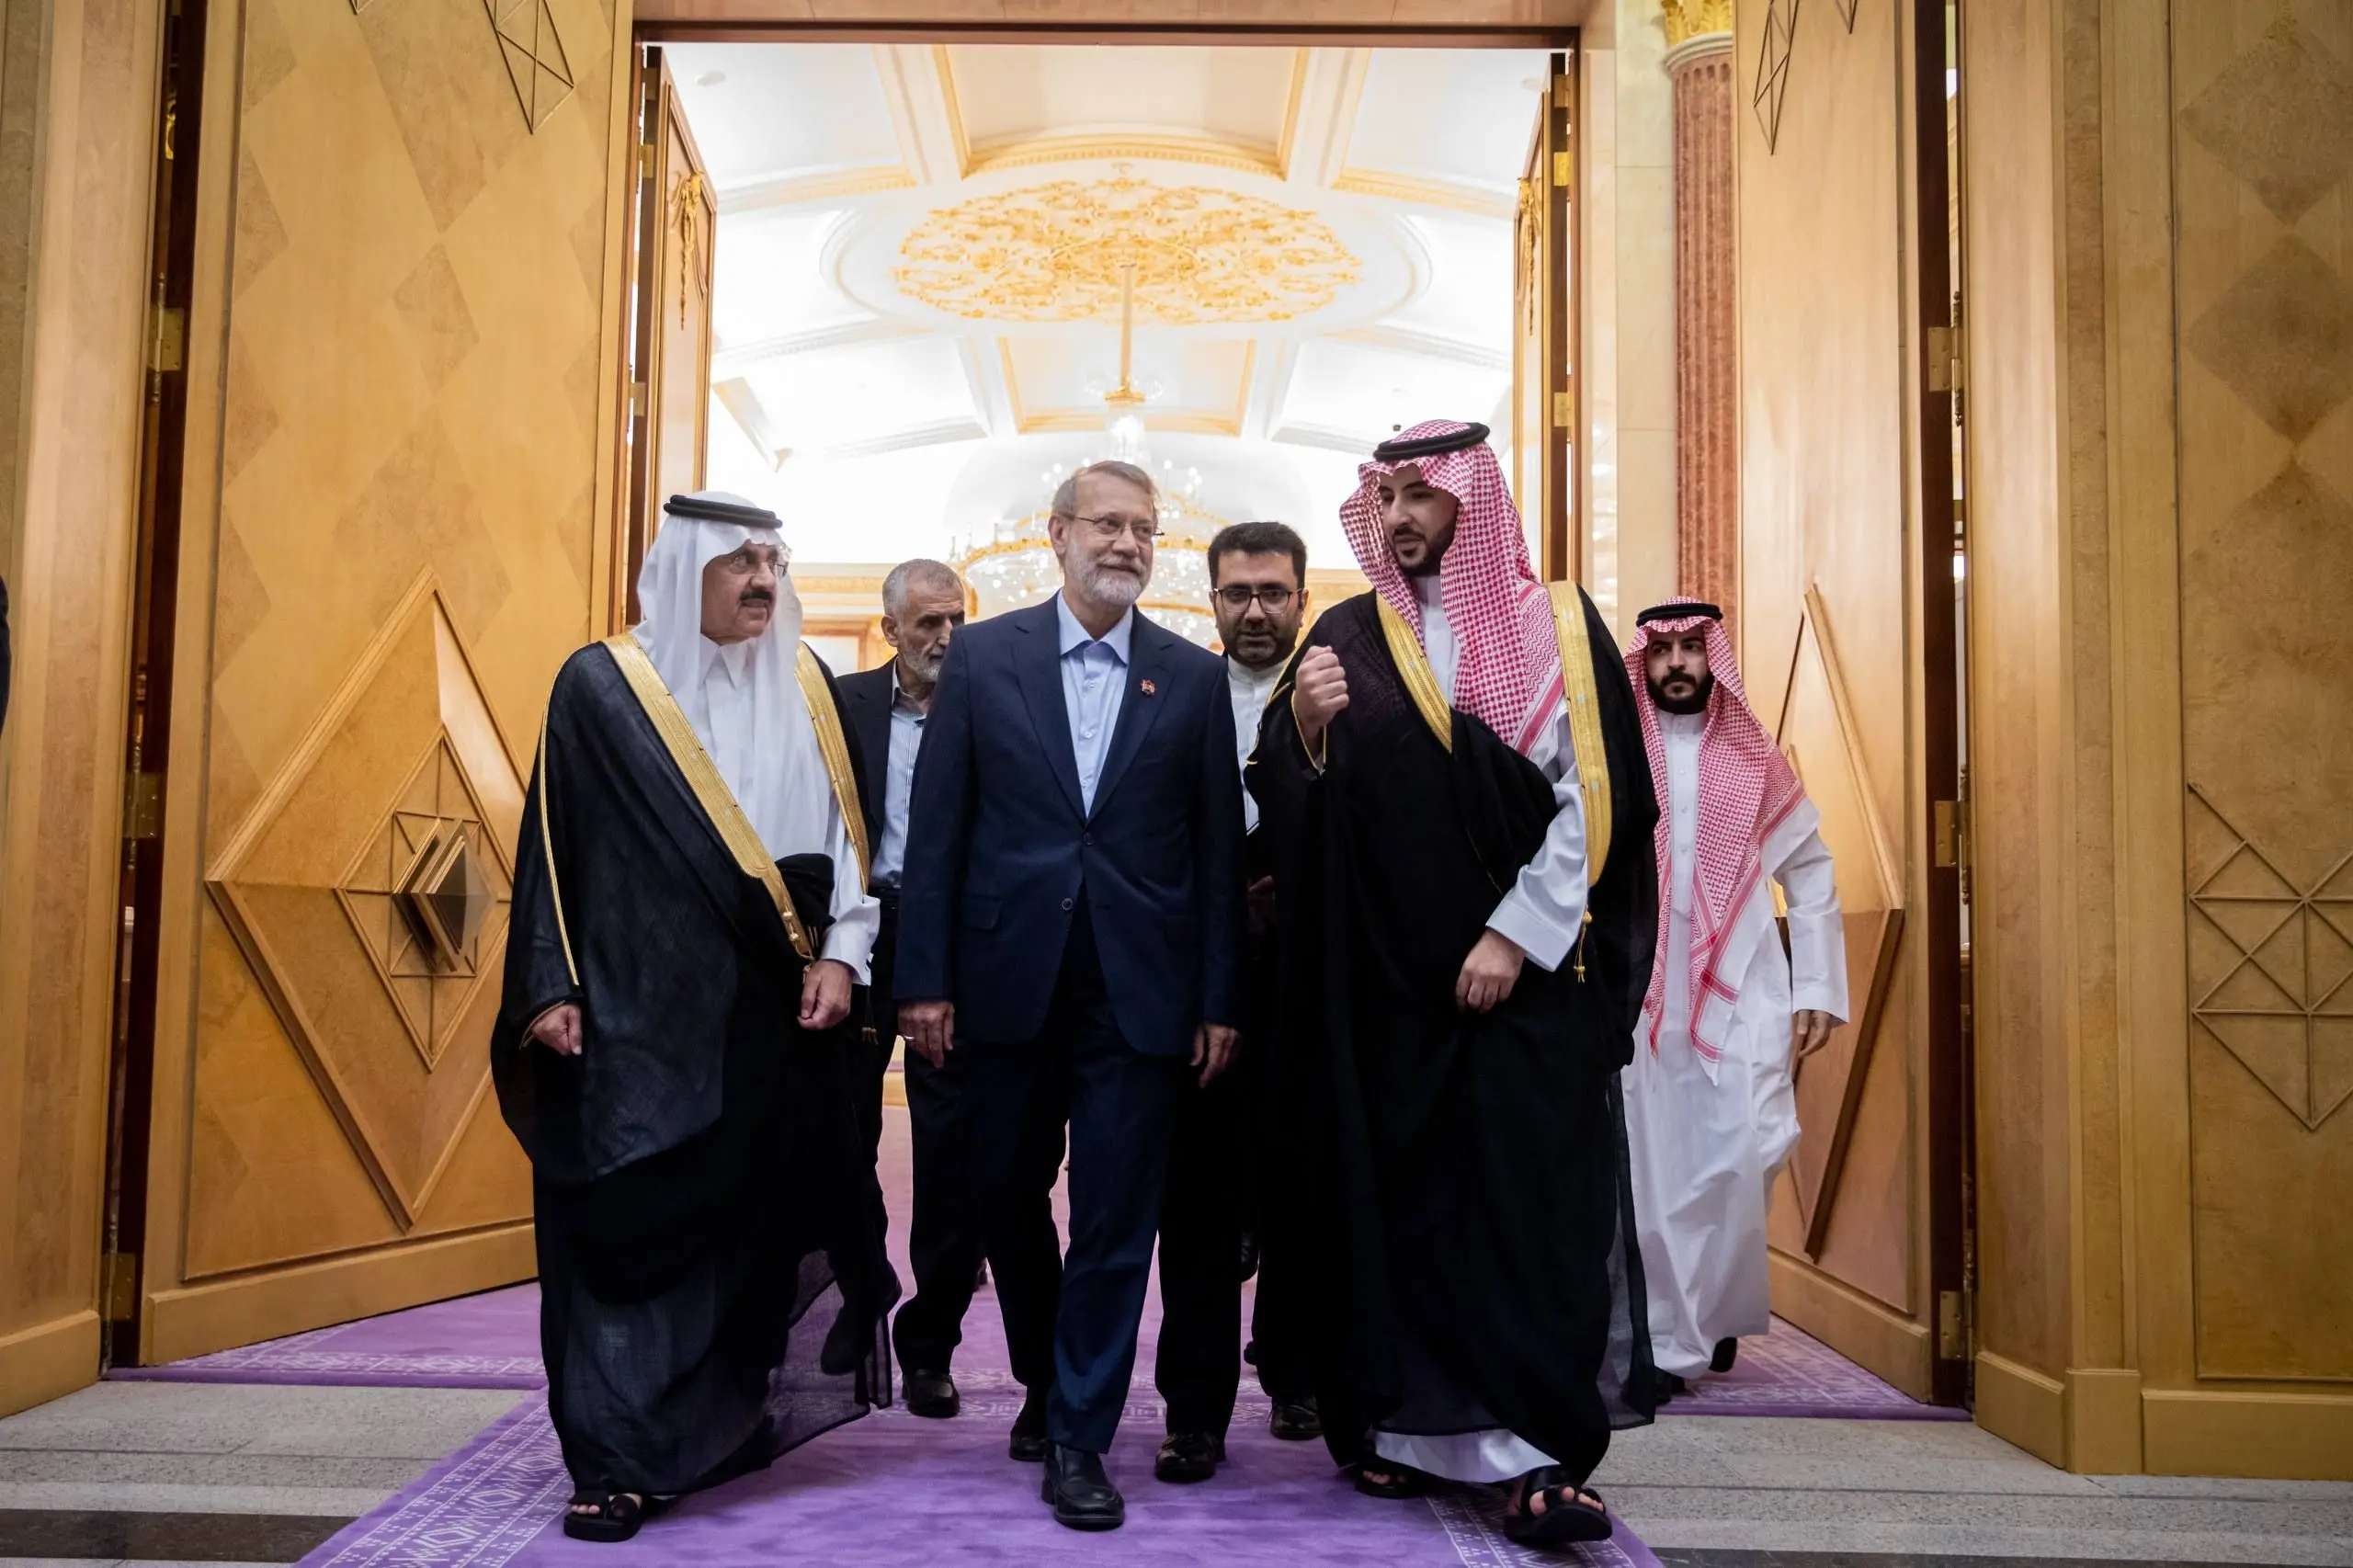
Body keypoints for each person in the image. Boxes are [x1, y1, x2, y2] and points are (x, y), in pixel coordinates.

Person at [1251, 421, 1658, 1549]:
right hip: (1386, 994)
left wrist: (1512, 937)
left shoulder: (1553, 625)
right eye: (1384, 497)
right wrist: (1303, 730)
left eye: (1420, 495)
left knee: (1529, 1212)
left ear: (1471, 502)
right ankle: (1401, 1428)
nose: (1399, 517)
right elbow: (1285, 802)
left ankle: (1537, 1452)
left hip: (1523, 988)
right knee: (1403, 1212)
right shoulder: (1345, 633)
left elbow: (1599, 800)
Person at [492, 492, 891, 1544]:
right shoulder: (602, 684)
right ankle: (615, 1456)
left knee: (750, 1224)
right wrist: (548, 984)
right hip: (634, 1010)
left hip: (774, 1011)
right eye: (740, 561)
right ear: (684, 569)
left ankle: (712, 1424)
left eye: (772, 560)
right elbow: (550, 843)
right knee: (627, 1223)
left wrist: (843, 954)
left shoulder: (805, 682)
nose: (763, 579)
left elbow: (850, 843)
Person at [895, 459, 1244, 1532]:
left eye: (1143, 528)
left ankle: (1081, 1434)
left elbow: (1217, 856)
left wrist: (1217, 997)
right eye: (1107, 524)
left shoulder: (1192, 677)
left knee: (1114, 1214)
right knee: (1001, 1194)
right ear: (1057, 534)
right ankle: (1048, 1379)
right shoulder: (983, 658)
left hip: (1139, 993)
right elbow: (938, 828)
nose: (1127, 544)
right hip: (1004, 980)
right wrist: (923, 979)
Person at [1621, 599, 1847, 1396]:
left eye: (1692, 648)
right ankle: (1667, 1342)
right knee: (1655, 1171)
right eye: (1663, 650)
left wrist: (1816, 985)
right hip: (1646, 994)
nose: (1678, 663)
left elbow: (1810, 872)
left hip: (1741, 990)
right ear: (1644, 662)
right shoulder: (1620, 753)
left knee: (1748, 1150)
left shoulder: (1756, 761)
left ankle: (1710, 1312)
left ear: (1713, 658)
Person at [1153, 520, 1316, 1484]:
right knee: (1198, 1203)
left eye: (1273, 592)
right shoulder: (1176, 691)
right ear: (1211, 600)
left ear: (1303, 598)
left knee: (1305, 1186)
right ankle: (1194, 1412)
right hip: (1200, 981)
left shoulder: (1344, 691)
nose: (1256, 611)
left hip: (1309, 984)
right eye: (1237, 593)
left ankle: (1297, 1373)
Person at [836, 559, 1003, 1420]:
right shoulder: (841, 708)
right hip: (856, 938)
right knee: (840, 1137)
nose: (945, 637)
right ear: (891, 629)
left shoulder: (996, 706)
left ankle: (930, 1347)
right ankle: (860, 1293)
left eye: (956, 621)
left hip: (958, 949)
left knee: (951, 1155)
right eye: (929, 623)